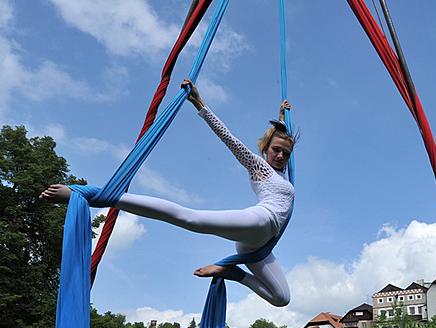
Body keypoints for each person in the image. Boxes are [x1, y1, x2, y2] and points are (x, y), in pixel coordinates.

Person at [40, 80, 296, 307]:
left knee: (281, 299)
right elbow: (230, 140)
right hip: (261, 222)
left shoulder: (283, 173)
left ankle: (231, 272)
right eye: (276, 150)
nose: (281, 156)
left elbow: (281, 141)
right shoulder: (259, 166)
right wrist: (200, 104)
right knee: (190, 218)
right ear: (265, 149)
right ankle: (93, 195)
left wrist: (281, 115)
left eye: (286, 153)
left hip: (260, 244)